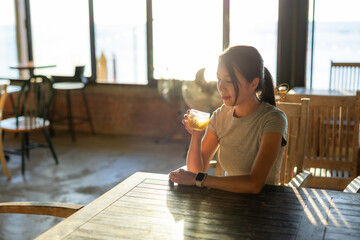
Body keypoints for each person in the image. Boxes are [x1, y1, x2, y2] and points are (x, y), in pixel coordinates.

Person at [169, 45, 287, 194]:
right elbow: (196, 171)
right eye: (218, 79)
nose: (221, 87)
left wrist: (200, 180)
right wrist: (197, 135)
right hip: (228, 204)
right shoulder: (220, 116)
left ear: (253, 84)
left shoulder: (273, 120)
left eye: (229, 80)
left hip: (265, 207)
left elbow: (254, 184)